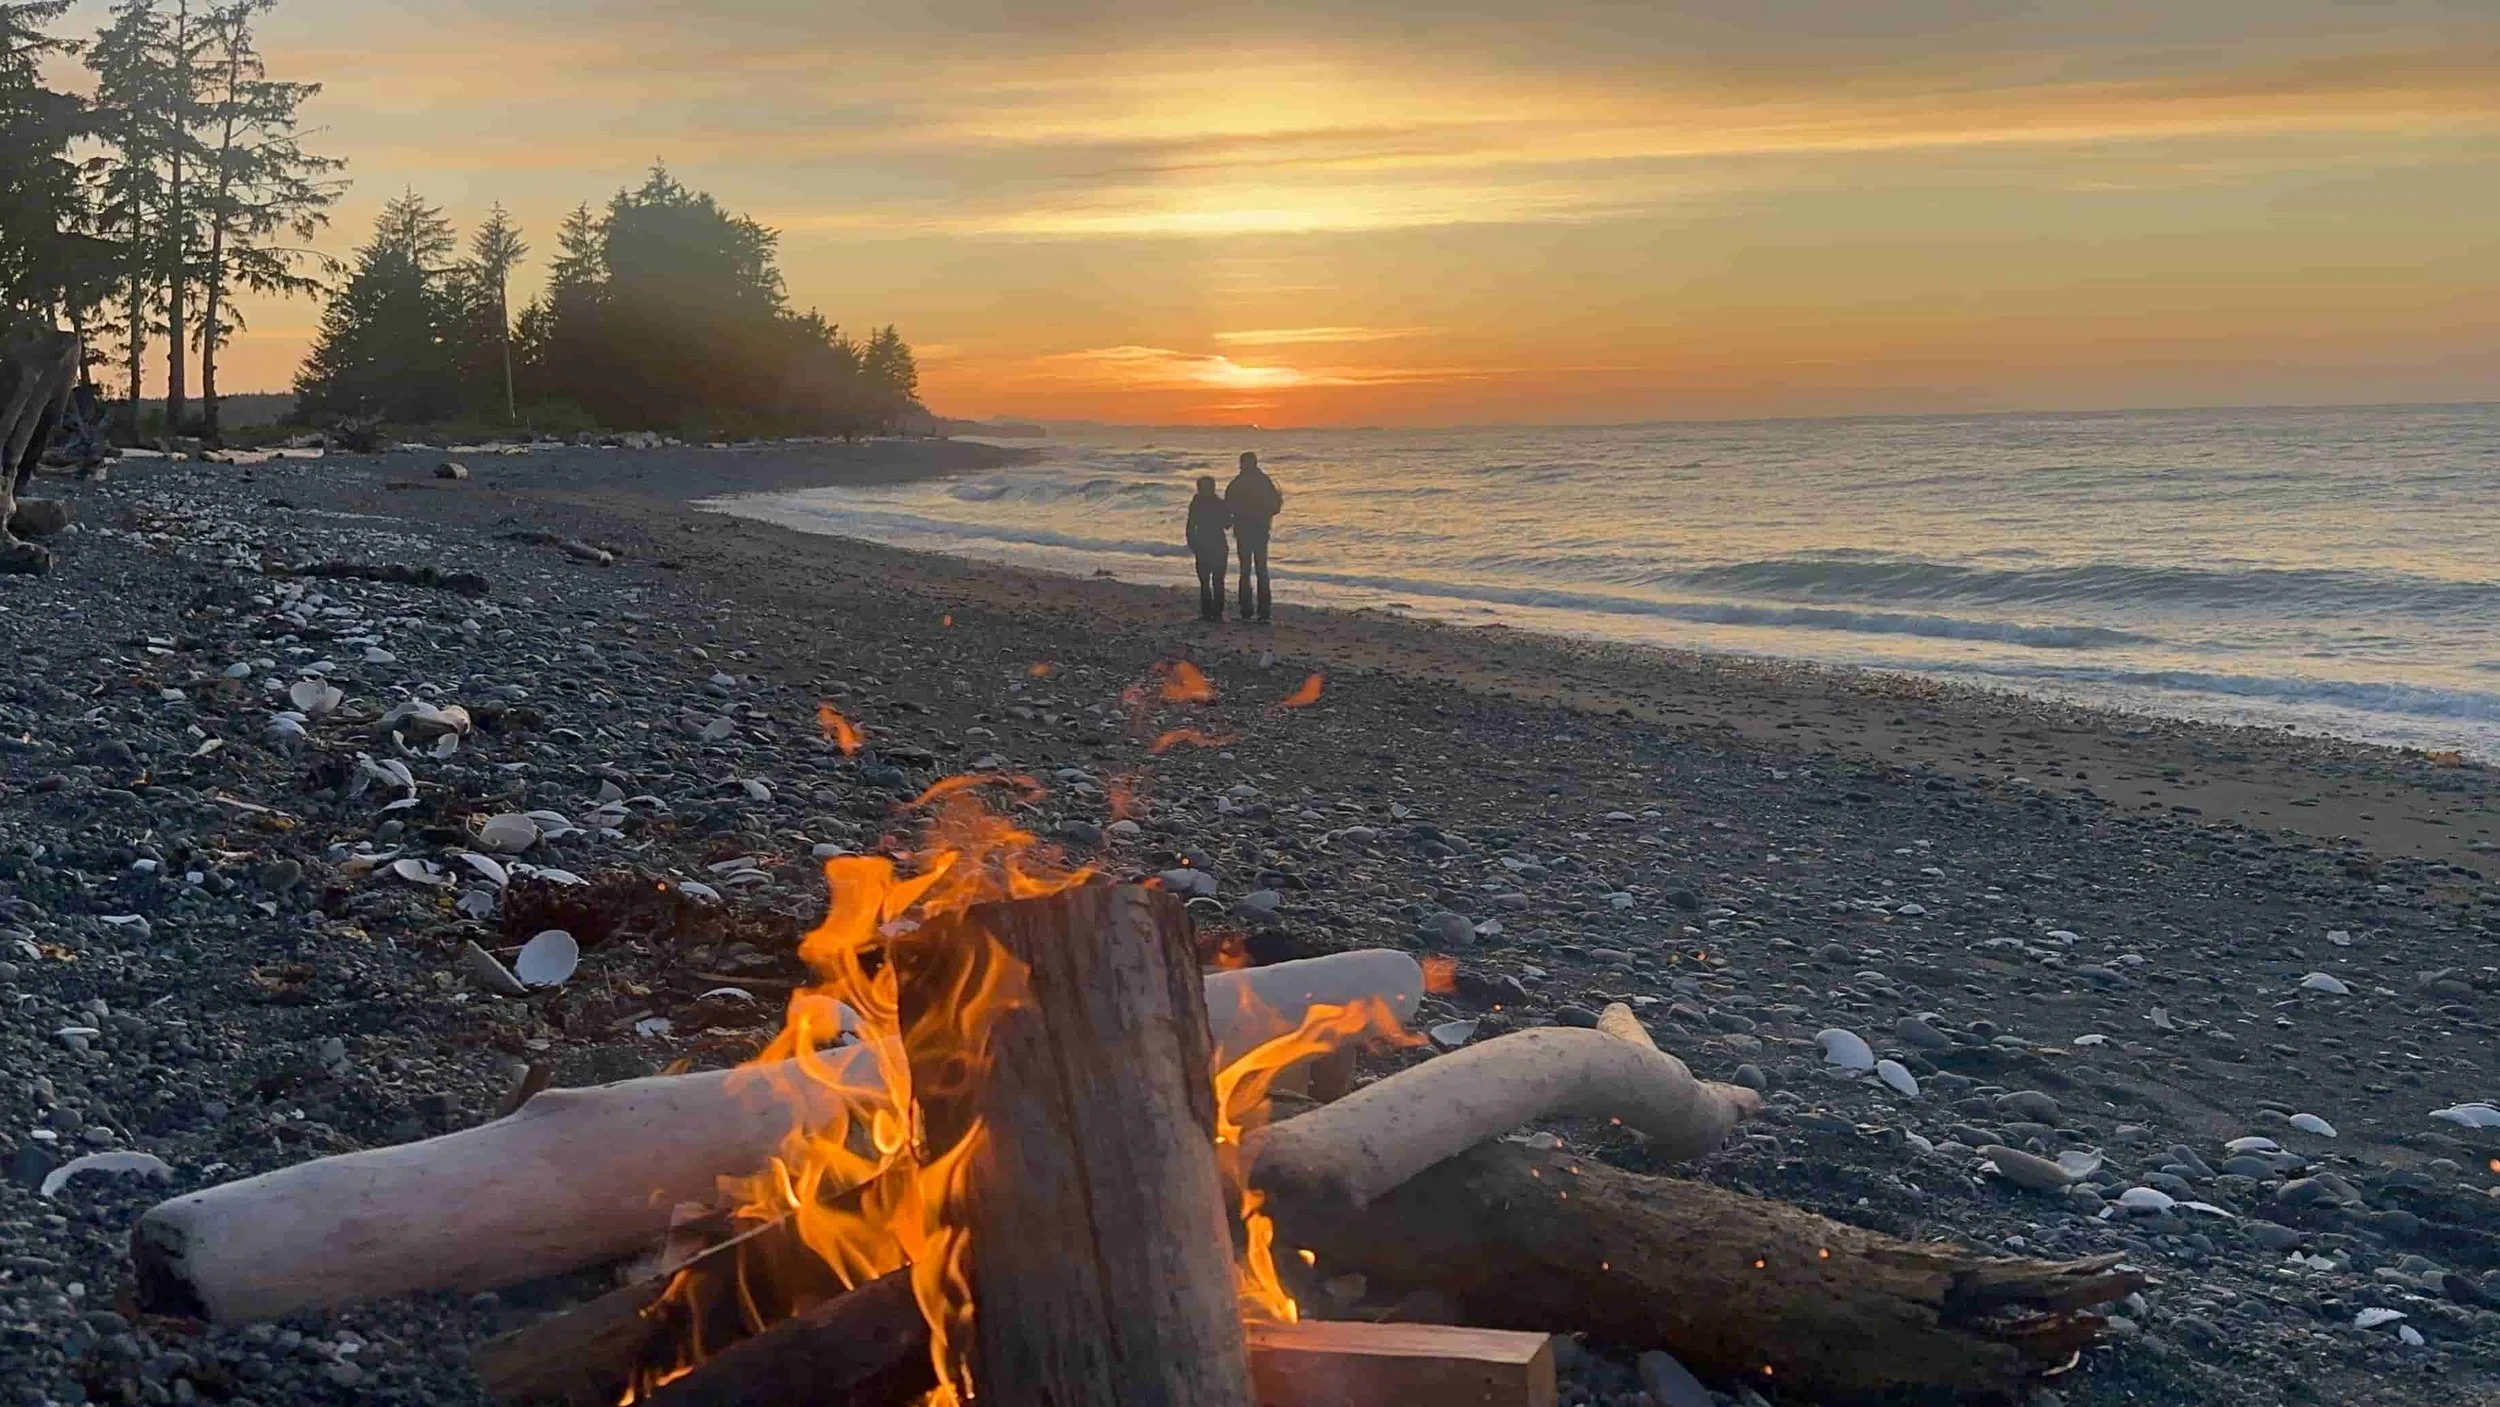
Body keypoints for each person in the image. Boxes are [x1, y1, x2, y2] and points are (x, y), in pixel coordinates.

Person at [1224, 451, 1283, 623]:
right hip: (1258, 529)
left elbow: (1228, 506)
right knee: (1259, 570)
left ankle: (1247, 610)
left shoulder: (1237, 483)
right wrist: (1265, 516)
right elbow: (1276, 505)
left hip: (1246, 530)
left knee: (1248, 570)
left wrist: (1232, 519)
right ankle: (1262, 611)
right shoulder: (1264, 481)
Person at [1185, 474, 1232, 622]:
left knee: (1206, 581)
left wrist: (1193, 544)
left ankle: (1208, 613)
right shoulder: (1219, 503)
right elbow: (1227, 525)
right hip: (1216, 543)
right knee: (1216, 581)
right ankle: (1216, 613)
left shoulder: (1196, 503)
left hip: (1203, 543)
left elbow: (1190, 527)